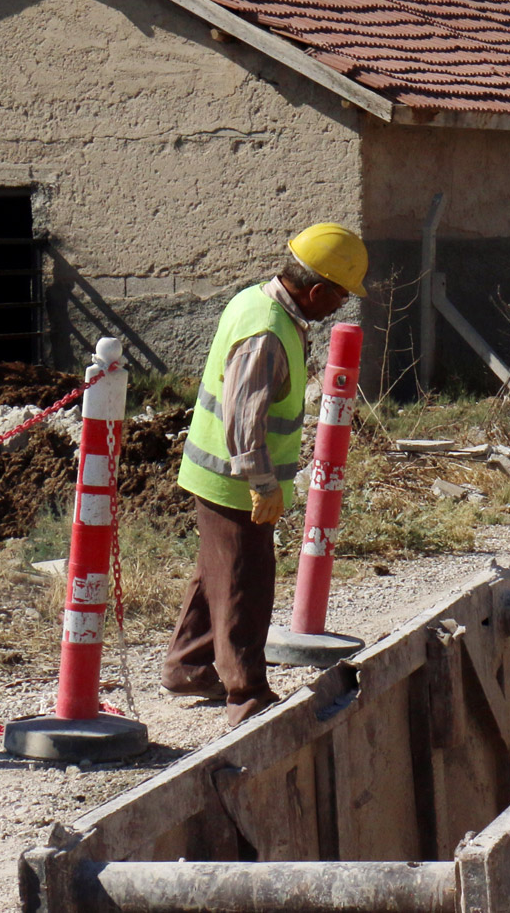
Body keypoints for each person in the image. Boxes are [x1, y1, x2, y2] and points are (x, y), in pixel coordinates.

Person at [163, 223, 368, 724]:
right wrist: (262, 484)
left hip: (219, 474)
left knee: (217, 570)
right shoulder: (266, 332)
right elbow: (242, 419)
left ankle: (187, 667)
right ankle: (246, 694)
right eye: (340, 296)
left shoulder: (259, 304)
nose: (342, 306)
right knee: (243, 583)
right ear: (316, 289)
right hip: (234, 481)